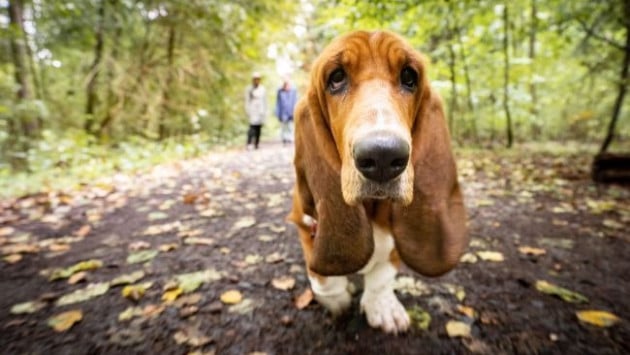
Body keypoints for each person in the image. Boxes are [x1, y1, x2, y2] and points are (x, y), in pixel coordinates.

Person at [244, 72, 267, 150]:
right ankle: (249, 143)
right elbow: (247, 100)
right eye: (255, 79)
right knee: (252, 127)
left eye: (258, 79)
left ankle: (256, 143)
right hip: (252, 110)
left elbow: (264, 101)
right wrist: (247, 110)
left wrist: (264, 111)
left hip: (260, 110)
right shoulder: (249, 89)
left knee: (258, 128)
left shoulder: (262, 89)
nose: (256, 80)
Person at [275, 78, 298, 145]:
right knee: (284, 127)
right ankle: (284, 139)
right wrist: (278, 113)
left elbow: (295, 101)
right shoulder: (280, 92)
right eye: (286, 85)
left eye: (288, 85)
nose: (287, 87)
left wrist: (295, 111)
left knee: (290, 126)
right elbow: (278, 103)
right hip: (283, 113)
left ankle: (290, 139)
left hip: (291, 111)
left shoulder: (293, 91)